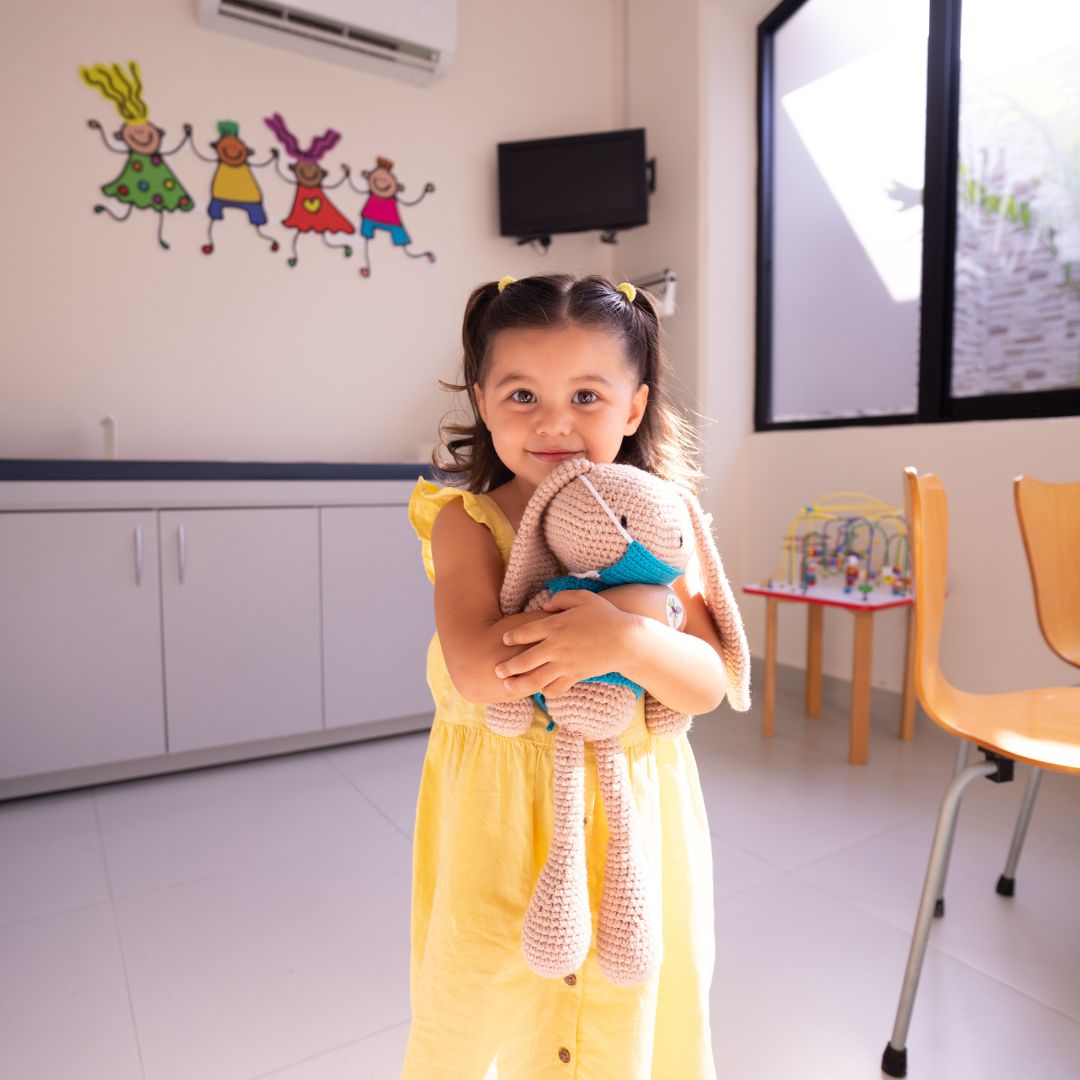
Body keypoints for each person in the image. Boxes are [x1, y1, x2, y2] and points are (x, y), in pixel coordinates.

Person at [405, 273, 739, 1079]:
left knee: (627, 1017)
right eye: (522, 393)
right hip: (501, 827)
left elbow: (706, 684)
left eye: (587, 394)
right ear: (483, 402)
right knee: (491, 1002)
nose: (554, 421)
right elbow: (480, 671)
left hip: (634, 822)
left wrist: (624, 640)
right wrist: (588, 634)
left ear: (633, 407)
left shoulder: (661, 525)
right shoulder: (467, 522)